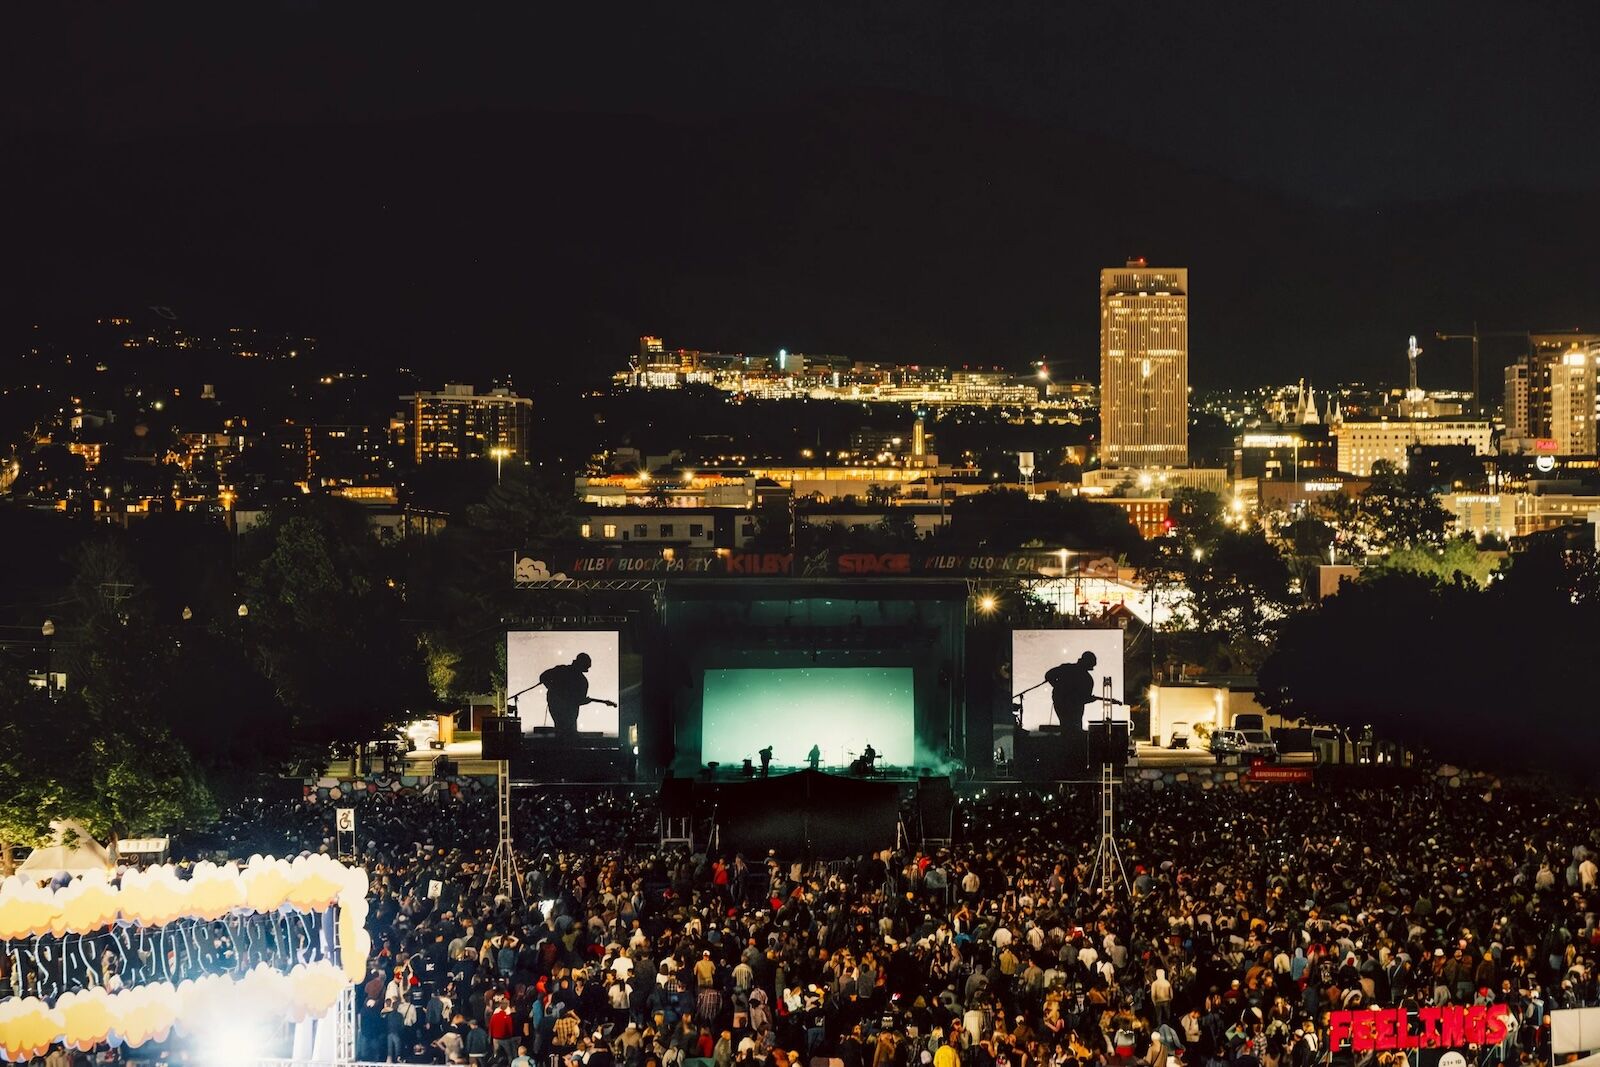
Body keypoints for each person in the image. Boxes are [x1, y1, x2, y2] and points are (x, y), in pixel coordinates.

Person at [538, 653, 616, 738]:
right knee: (568, 731)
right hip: (568, 711)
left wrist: (552, 689)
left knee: (561, 729)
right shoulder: (582, 681)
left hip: (556, 706)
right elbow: (578, 701)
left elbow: (543, 677)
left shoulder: (561, 670)